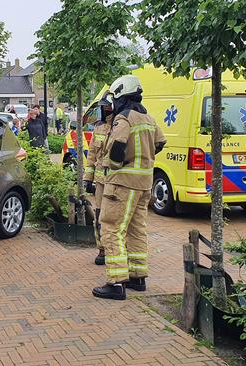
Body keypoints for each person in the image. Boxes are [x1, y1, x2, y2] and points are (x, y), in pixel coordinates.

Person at [93, 75, 166, 300]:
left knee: (111, 228)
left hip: (122, 184)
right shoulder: (148, 117)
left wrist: (114, 165)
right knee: (137, 230)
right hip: (144, 184)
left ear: (122, 96)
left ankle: (116, 283)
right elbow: (161, 142)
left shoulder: (123, 118)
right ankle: (138, 277)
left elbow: (116, 147)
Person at [83, 93, 114, 266]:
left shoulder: (121, 125)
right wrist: (88, 179)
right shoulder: (98, 128)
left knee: (115, 217)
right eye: (103, 107)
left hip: (117, 181)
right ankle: (102, 249)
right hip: (101, 183)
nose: (104, 109)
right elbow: (92, 155)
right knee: (99, 215)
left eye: (107, 106)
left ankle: (116, 249)